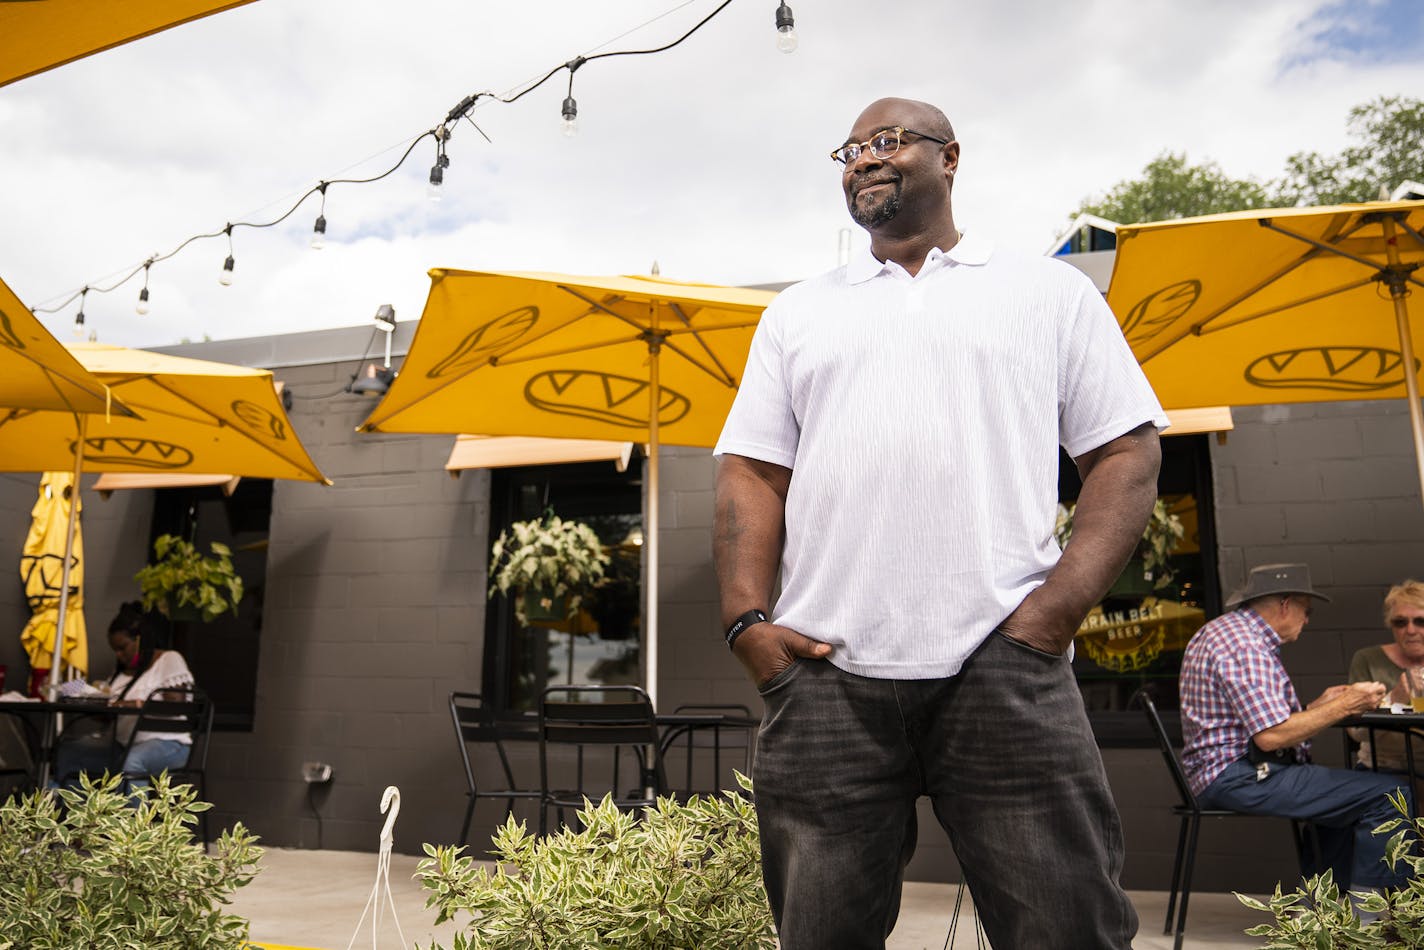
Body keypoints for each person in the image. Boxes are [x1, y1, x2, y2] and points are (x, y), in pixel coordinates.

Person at [712, 97, 1166, 950]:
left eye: (887, 141)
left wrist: (1050, 618)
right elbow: (751, 472)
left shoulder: (1048, 292)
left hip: (1008, 673)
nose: (864, 159)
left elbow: (1128, 455)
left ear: (950, 157)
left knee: (1068, 930)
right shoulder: (798, 313)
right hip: (825, 681)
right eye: (849, 149)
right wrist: (747, 623)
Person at [1180, 563, 1412, 895]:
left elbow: (1262, 725)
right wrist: (1345, 706)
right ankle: (1374, 919)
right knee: (1390, 794)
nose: (1307, 619)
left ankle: (1321, 910)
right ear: (1286, 604)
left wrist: (1320, 706)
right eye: (1307, 610)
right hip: (1239, 774)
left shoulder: (1231, 632)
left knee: (1342, 803)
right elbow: (1271, 736)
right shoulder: (1244, 645)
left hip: (1236, 768)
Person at [52, 602, 196, 790]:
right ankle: (75, 814)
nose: (119, 655)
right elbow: (103, 698)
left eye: (122, 648)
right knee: (71, 751)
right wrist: (62, 688)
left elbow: (176, 703)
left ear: (139, 640)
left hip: (169, 745)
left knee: (131, 762)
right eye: (115, 651)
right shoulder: (120, 674)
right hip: (122, 744)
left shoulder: (169, 659)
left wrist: (129, 704)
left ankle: (133, 819)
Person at [1347, 579, 1424, 770]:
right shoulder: (1368, 659)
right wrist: (1394, 700)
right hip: (1383, 766)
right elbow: (1356, 732)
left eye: (1421, 621)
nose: (1411, 630)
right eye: (1400, 622)